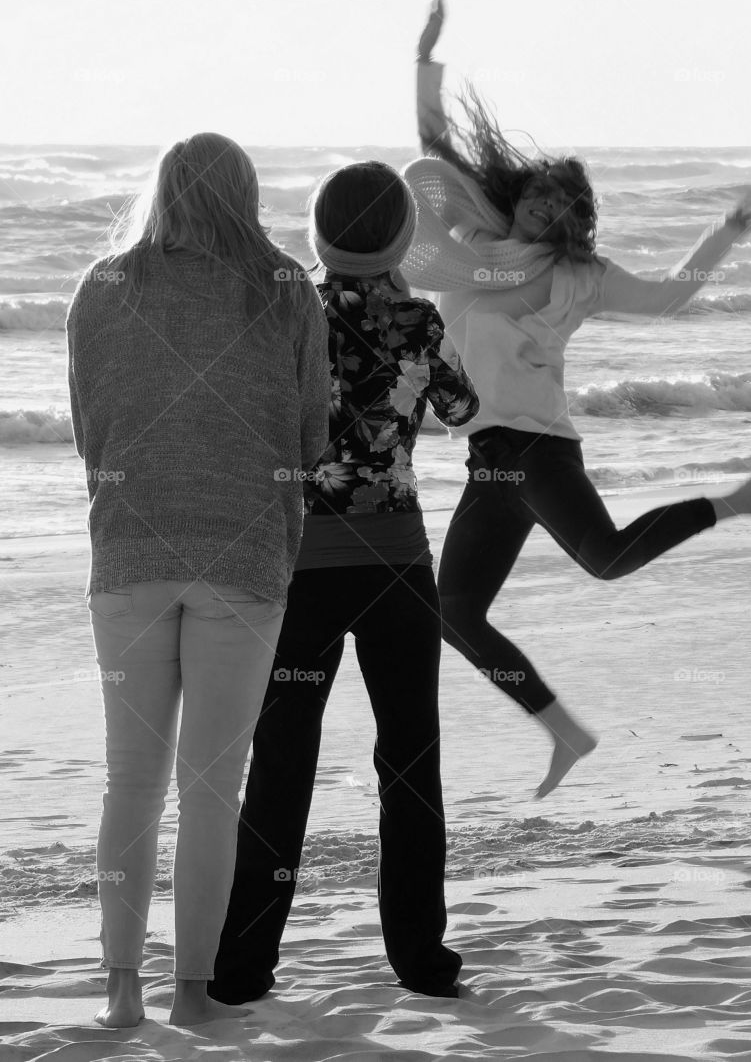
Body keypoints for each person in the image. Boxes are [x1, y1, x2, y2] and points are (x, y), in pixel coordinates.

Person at [404, 0, 751, 798]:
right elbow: (434, 154)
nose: (550, 209)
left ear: (578, 219)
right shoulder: (473, 251)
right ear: (515, 197)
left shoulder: (578, 276)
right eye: (540, 196)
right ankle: (563, 731)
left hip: (538, 448)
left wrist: (724, 233)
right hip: (489, 459)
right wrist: (425, 60)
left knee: (607, 560)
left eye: (566, 204)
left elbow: (667, 298)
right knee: (454, 613)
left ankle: (736, 500)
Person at [66, 132, 330, 1027]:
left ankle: (119, 993)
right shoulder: (288, 287)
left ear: (163, 189)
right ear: (247, 194)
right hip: (247, 558)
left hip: (129, 556)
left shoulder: (103, 287)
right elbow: (310, 437)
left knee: (128, 782)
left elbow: (89, 428)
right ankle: (193, 995)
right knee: (213, 791)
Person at [208, 161, 479, 1006]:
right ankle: (421, 961)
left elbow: (250, 420)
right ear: (402, 238)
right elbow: (465, 409)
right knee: (409, 761)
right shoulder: (419, 320)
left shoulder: (290, 312)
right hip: (397, 565)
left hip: (302, 569)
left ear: (319, 232)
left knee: (281, 764)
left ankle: (245, 966)